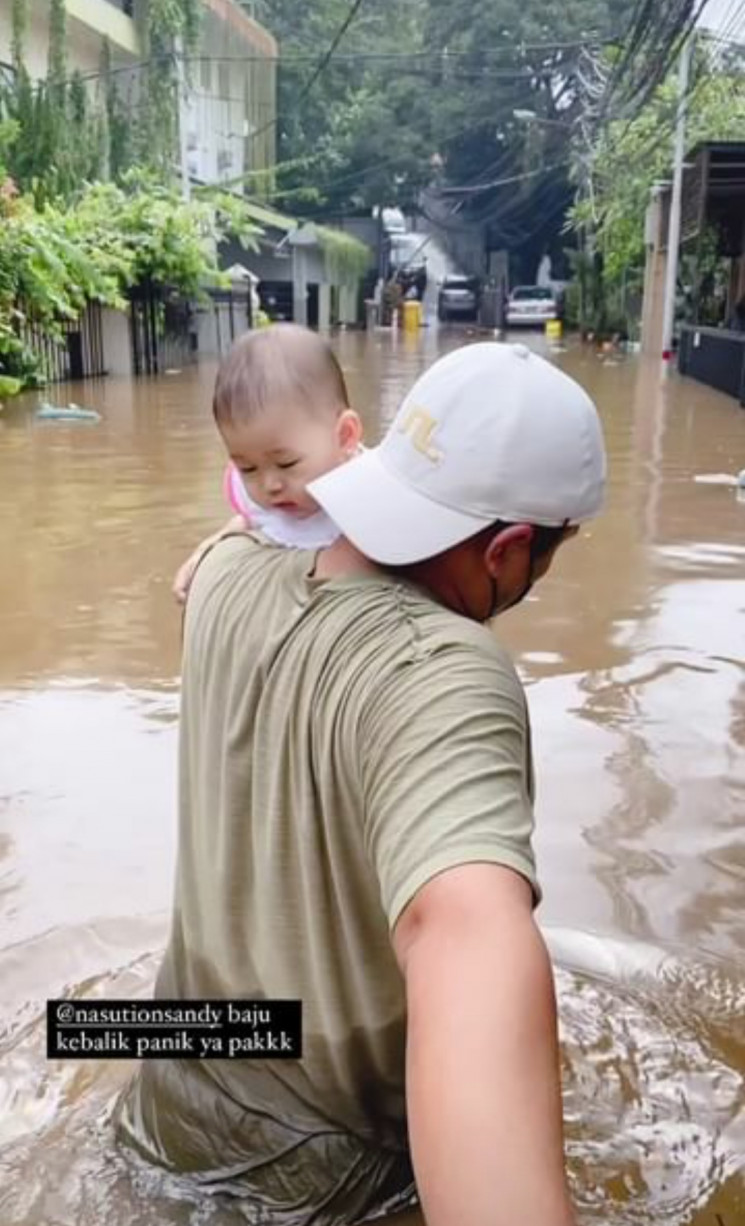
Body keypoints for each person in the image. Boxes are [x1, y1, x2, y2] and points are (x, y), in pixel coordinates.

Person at [115, 341, 606, 1226]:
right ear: (510, 549)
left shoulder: (224, 574)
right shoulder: (445, 671)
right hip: (325, 1192)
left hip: (157, 1123)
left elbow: (222, 561)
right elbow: (459, 929)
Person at [172, 323, 364, 604]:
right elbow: (252, 518)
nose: (269, 485)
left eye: (287, 463)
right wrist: (208, 549)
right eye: (247, 469)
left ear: (345, 437)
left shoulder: (366, 488)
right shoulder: (259, 486)